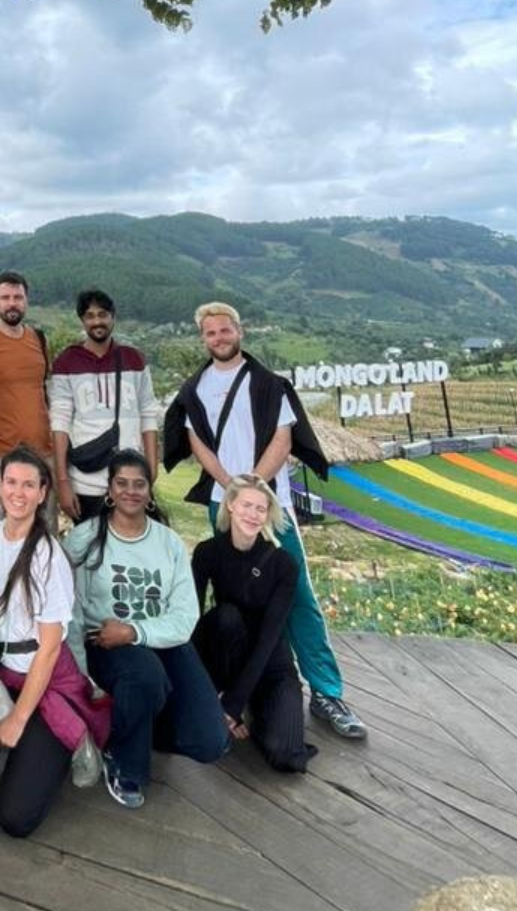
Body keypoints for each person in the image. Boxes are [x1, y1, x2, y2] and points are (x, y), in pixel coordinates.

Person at [162, 302, 367, 740]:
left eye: (225, 330)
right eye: (211, 332)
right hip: (222, 503)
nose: (219, 338)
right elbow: (197, 443)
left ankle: (327, 691)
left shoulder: (269, 384)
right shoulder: (194, 389)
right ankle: (233, 688)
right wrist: (230, 488)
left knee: (298, 596)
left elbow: (283, 437)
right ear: (203, 338)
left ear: (240, 331)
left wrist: (254, 487)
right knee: (230, 599)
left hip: (272, 505)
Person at [64, 450, 228, 809]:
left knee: (210, 742)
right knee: (145, 676)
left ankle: (133, 724)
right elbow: (69, 611)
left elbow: (185, 616)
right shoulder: (84, 538)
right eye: (122, 483)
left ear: (149, 490)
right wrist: (81, 673)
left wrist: (134, 631)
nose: (131, 491)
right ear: (110, 489)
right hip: (105, 643)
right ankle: (125, 762)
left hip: (162, 640)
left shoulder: (168, 542)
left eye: (139, 484)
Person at [0, 447, 109, 837]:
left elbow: (49, 648)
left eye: (29, 485)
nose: (18, 492)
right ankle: (2, 744)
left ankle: (55, 737)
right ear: (0, 486)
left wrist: (18, 719)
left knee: (16, 818)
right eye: (11, 482)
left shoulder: (49, 556)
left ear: (43, 493)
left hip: (43, 679)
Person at [191, 475, 318, 773]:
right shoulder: (207, 552)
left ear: (268, 514)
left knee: (286, 755)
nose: (253, 514)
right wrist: (207, 695)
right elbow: (193, 625)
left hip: (269, 658)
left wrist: (235, 704)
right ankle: (224, 696)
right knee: (225, 617)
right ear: (231, 506)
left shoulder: (283, 564)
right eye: (246, 505)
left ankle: (256, 709)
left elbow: (269, 639)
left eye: (261, 508)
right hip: (227, 652)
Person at [51, 289, 163, 524]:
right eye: (90, 316)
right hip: (85, 481)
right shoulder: (66, 362)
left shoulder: (134, 359)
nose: (97, 321)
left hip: (131, 480)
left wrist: (151, 471)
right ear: (82, 320)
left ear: (113, 317)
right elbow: (60, 423)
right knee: (89, 544)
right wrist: (62, 482)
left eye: (102, 314)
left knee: (131, 541)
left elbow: (148, 414)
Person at [0, 271, 55, 526]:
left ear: (26, 300)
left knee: (43, 533)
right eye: (5, 298)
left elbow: (44, 393)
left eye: (18, 297)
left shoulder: (38, 339)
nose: (12, 303)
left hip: (42, 456)